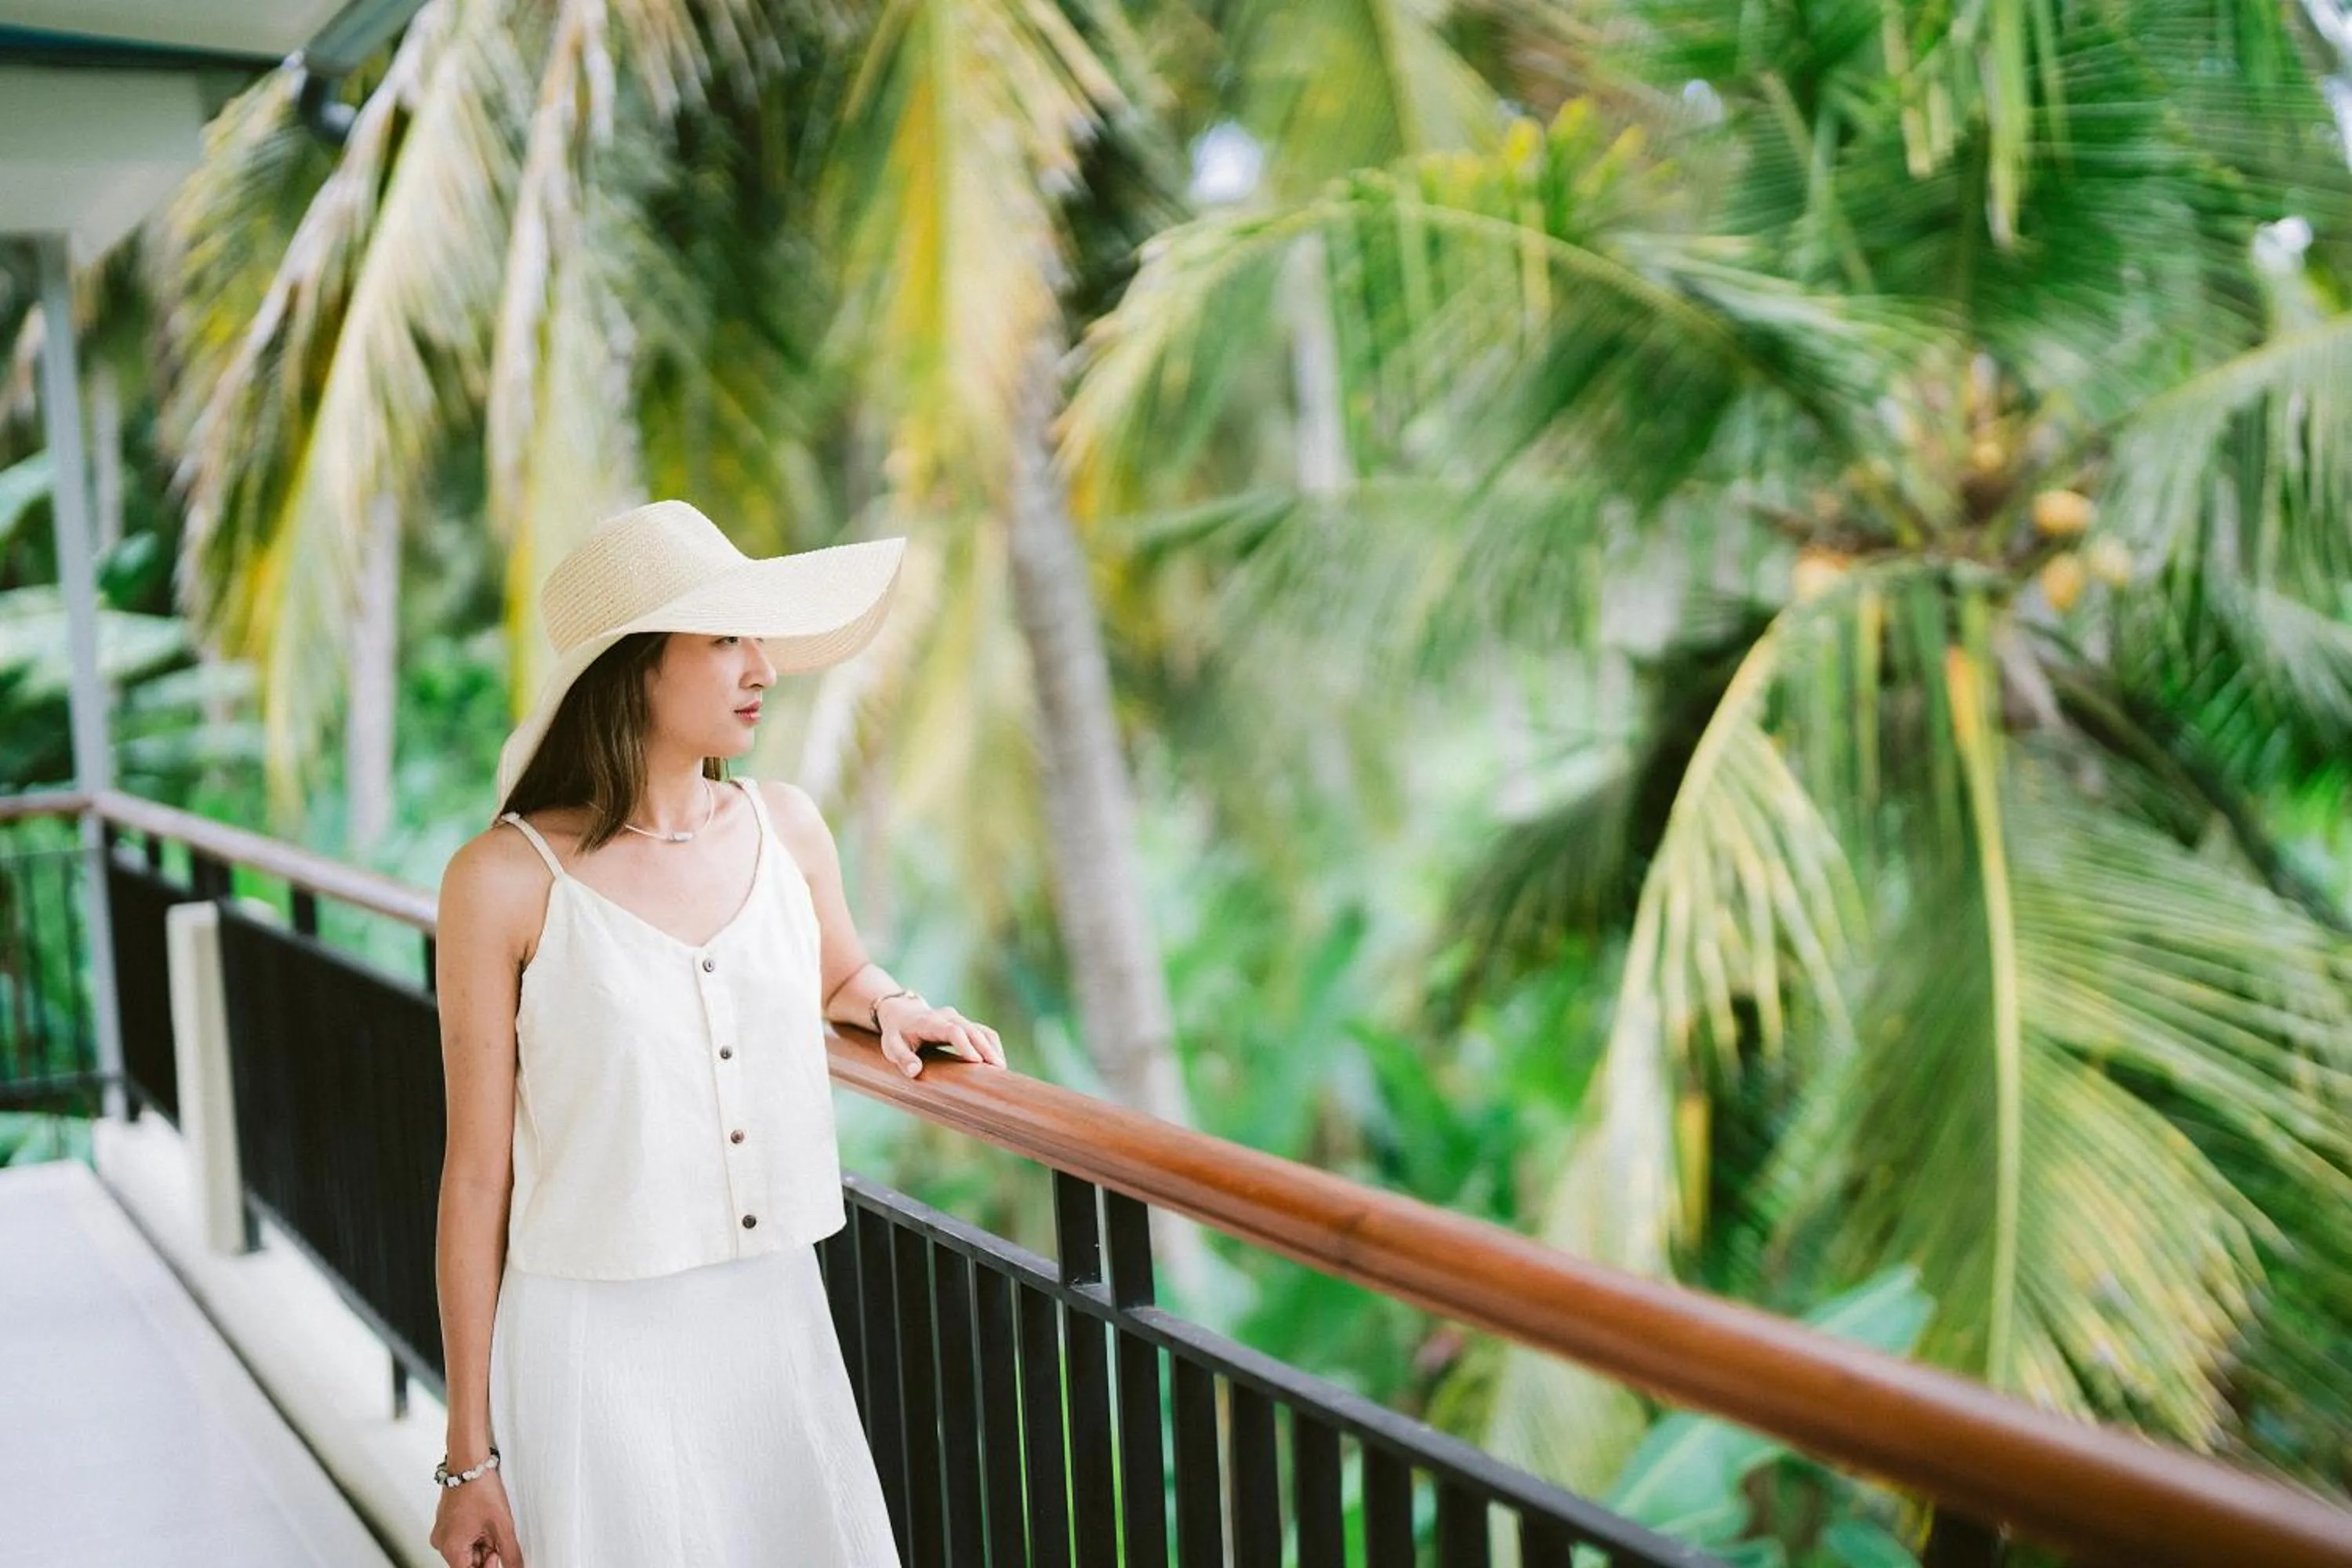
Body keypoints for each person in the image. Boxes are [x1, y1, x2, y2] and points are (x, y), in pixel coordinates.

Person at [428, 500, 1005, 1568]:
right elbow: (474, 1179)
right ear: (635, 669)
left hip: (769, 1321)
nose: (763, 669)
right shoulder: (501, 880)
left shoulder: (784, 826)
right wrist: (471, 1458)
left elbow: (836, 965)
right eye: (725, 638)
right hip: (594, 1345)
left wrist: (889, 1006)